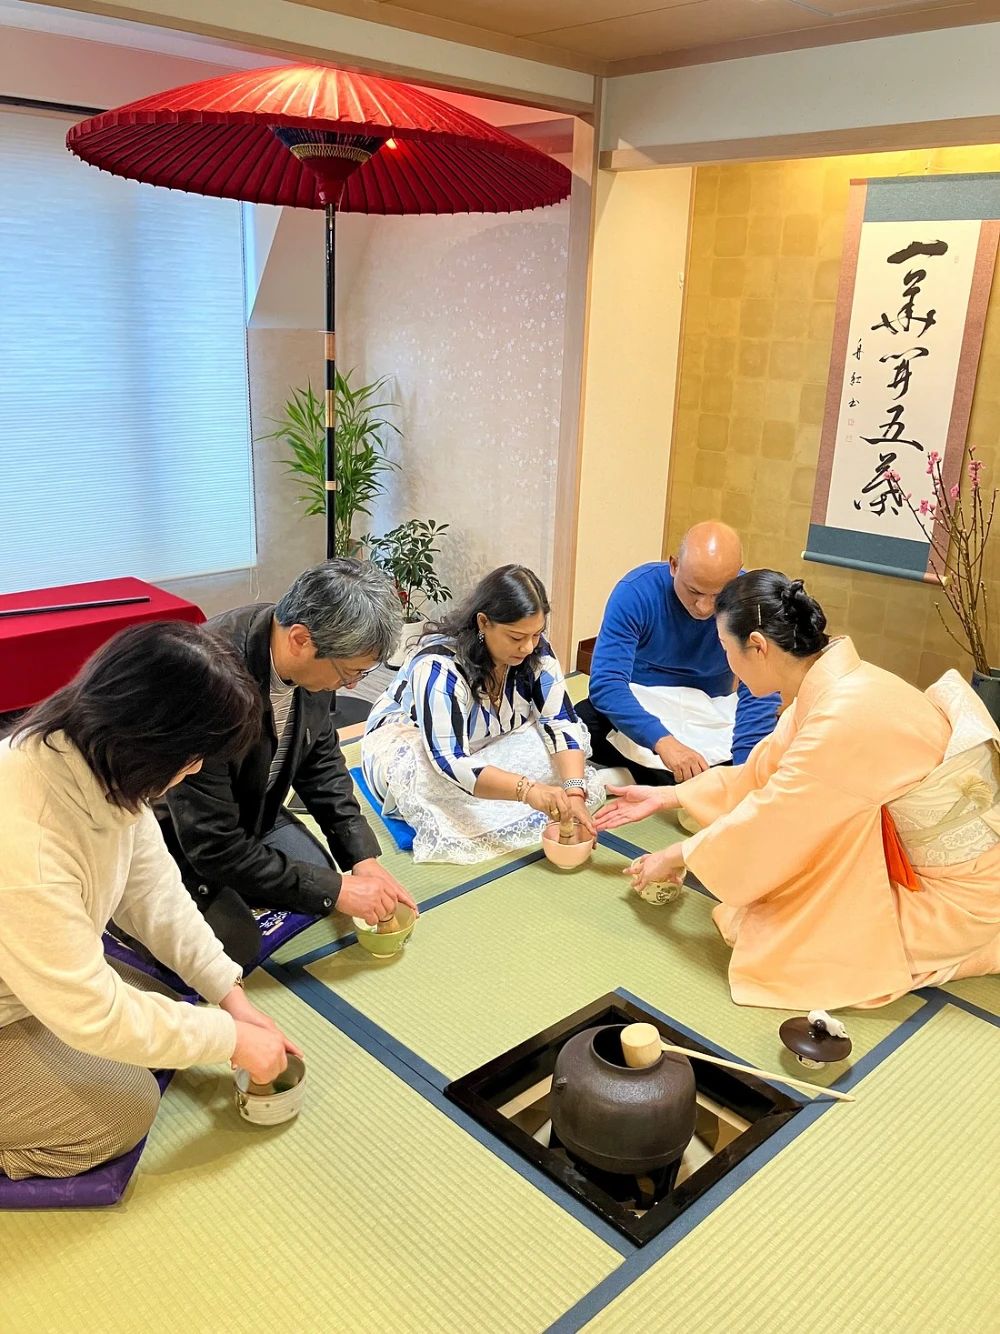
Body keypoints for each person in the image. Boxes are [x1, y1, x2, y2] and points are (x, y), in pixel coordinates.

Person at [598, 570, 1000, 1011]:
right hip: (909, 865)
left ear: (758, 646)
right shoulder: (832, 688)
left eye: (726, 648)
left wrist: (676, 856)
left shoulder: (843, 715)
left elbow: (774, 818)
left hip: (960, 893)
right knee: (761, 916)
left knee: (800, 952)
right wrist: (667, 796)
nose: (725, 662)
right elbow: (761, 775)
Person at [0, 622, 300, 1181]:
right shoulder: (28, 842)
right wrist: (232, 1041)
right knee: (123, 1110)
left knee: (170, 1009)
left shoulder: (96, 760)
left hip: (23, 976)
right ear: (152, 741)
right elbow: (94, 1014)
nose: (192, 773)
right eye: (193, 759)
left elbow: (154, 893)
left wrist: (230, 997)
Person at [158, 560, 417, 969]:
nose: (352, 687)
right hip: (178, 833)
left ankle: (245, 881)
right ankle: (128, 913)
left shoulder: (305, 655)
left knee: (322, 880)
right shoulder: (209, 678)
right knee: (232, 949)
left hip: (255, 808)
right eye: (349, 673)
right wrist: (338, 890)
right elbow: (211, 842)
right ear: (300, 639)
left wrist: (361, 858)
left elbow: (321, 759)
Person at [361, 565, 605, 863]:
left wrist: (574, 793)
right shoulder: (439, 667)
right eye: (516, 637)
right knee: (421, 774)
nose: (528, 647)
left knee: (554, 750)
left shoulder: (535, 651)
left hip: (491, 742)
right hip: (415, 744)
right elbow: (449, 759)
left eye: (536, 634)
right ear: (483, 622)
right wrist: (527, 791)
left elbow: (559, 720)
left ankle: (500, 790)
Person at [577, 523, 781, 784]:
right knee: (579, 725)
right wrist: (664, 743)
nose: (705, 607)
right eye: (694, 591)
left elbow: (760, 693)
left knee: (768, 745)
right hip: (643, 700)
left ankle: (634, 777)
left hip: (708, 711)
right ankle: (668, 778)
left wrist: (741, 775)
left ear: (737, 580)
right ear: (674, 566)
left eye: (719, 595)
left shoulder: (749, 604)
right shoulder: (636, 592)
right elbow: (606, 684)